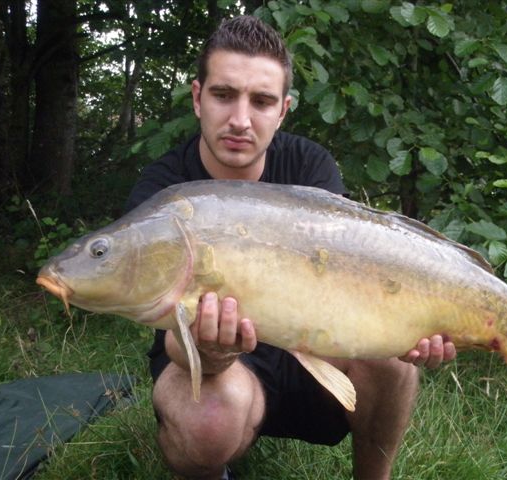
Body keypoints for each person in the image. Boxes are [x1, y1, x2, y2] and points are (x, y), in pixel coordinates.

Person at [126, 15, 456, 480]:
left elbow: (353, 278)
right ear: (198, 97)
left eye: (261, 101)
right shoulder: (164, 193)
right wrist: (212, 350)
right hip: (208, 356)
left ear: (282, 110)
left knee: (394, 364)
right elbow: (172, 337)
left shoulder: (310, 165)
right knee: (208, 423)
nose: (240, 119)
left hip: (310, 341)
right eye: (224, 95)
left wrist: (414, 325)